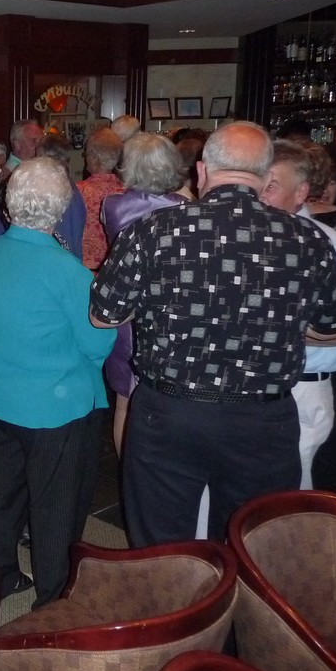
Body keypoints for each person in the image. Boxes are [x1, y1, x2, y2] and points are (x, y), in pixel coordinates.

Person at [91, 122, 336, 547]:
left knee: (162, 549)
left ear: (202, 172)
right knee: (249, 546)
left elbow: (103, 315)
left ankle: (177, 592)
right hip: (262, 420)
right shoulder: (306, 238)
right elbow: (331, 325)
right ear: (265, 177)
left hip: (170, 414)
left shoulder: (154, 229)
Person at [0, 157, 116, 608]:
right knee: (55, 508)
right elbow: (97, 345)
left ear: (10, 204)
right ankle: (53, 602)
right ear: (60, 208)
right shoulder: (68, 271)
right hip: (52, 408)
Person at [259, 139, 336, 489]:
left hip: (303, 388)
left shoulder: (332, 244)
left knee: (289, 494)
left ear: (301, 192)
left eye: (272, 186)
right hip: (252, 388)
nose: (260, 194)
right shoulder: (249, 238)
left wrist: (293, 332)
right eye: (258, 183)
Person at [100, 132, 188, 456]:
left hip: (126, 309)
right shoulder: (184, 207)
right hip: (169, 308)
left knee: (124, 401)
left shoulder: (112, 205)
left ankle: (127, 468)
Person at [76, 127, 124, 270]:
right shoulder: (127, 192)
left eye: (86, 154)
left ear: (95, 158)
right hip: (116, 269)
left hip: (84, 269)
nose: (85, 158)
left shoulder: (78, 192)